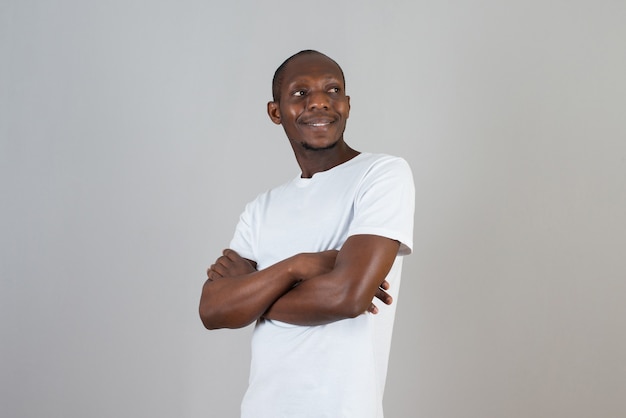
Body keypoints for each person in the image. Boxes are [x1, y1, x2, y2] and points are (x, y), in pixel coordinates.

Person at [199, 49, 415, 418]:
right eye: (300, 93)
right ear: (275, 111)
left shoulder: (381, 175)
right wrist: (297, 267)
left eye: (332, 90)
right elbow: (214, 309)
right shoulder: (260, 209)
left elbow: (346, 297)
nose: (319, 101)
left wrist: (254, 299)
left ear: (347, 104)